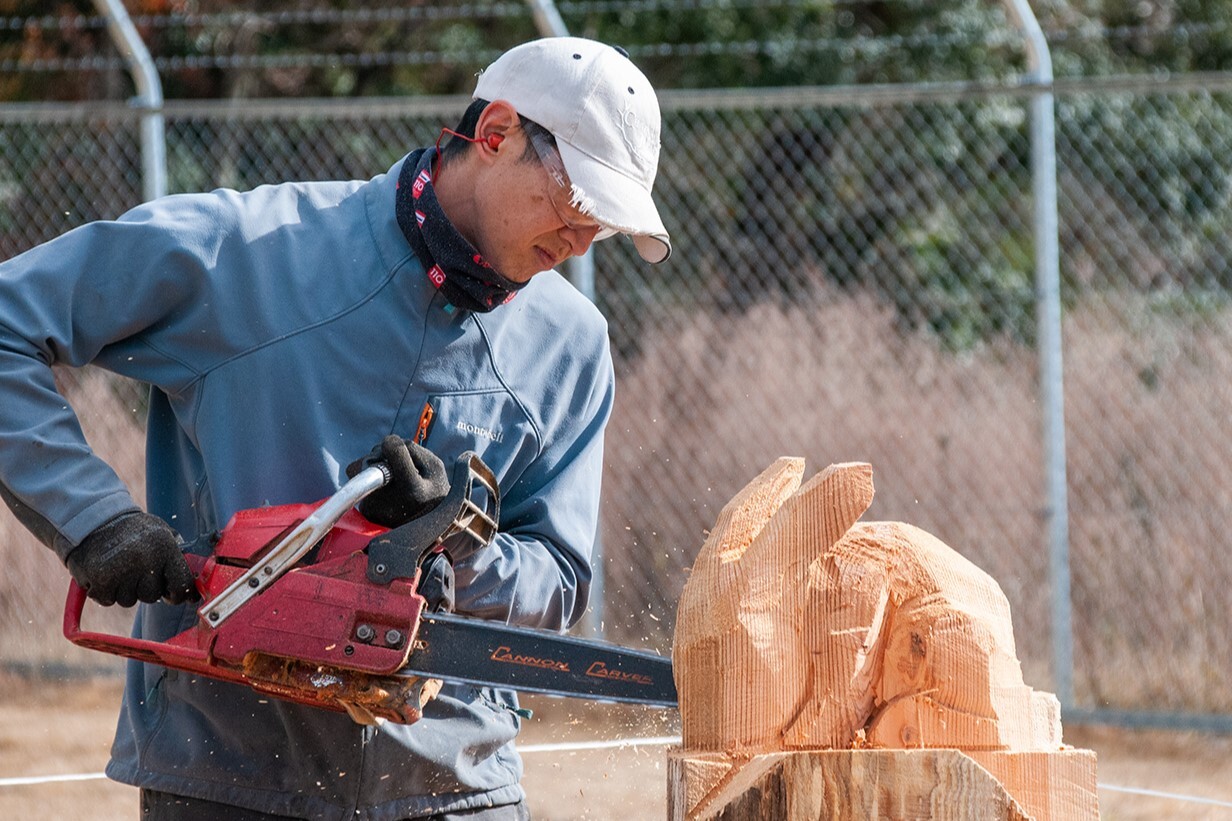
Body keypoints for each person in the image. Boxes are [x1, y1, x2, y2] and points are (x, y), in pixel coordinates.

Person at [0, 36, 670, 820]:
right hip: (224, 776)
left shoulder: (573, 344)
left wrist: (451, 550)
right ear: (496, 134)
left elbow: (559, 578)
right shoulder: (246, 252)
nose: (583, 241)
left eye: (607, 224)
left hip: (453, 791)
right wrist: (95, 520)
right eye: (578, 203)